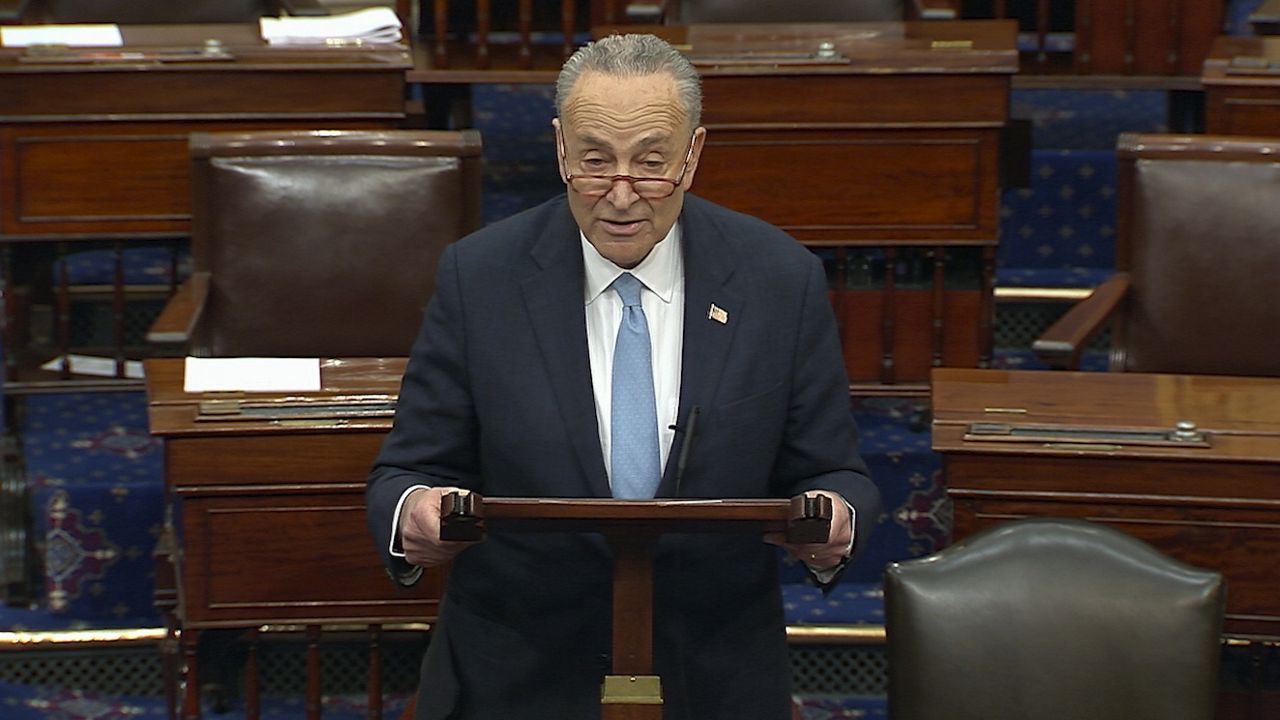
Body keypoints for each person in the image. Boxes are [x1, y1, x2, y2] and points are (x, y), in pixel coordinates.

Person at [366, 33, 880, 720]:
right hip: (519, 675)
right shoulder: (480, 277)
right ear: (559, 149)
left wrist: (836, 520)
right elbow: (404, 471)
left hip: (714, 672)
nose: (621, 194)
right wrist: (414, 516)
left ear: (693, 155)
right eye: (595, 163)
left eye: (651, 164)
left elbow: (837, 474)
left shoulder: (777, 279)